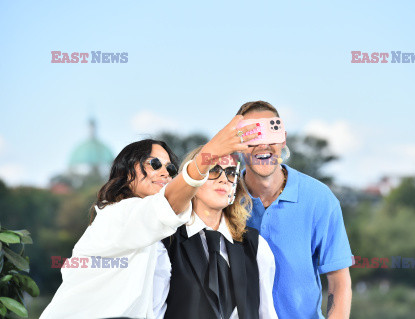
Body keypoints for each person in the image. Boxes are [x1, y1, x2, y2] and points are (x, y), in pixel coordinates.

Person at [40, 115, 259, 319]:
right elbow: (166, 206)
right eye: (154, 164)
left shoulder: (160, 239)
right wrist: (209, 154)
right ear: (127, 172)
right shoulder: (117, 216)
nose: (165, 172)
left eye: (170, 168)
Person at [236, 101, 353, 319]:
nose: (263, 145)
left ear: (283, 139)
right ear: (237, 144)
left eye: (271, 134)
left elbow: (339, 281)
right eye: (252, 137)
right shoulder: (223, 197)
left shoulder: (319, 198)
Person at [153, 147, 277, 319]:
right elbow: (153, 313)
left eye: (231, 173)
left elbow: (267, 313)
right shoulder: (165, 242)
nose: (224, 179)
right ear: (190, 179)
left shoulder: (256, 245)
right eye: (213, 170)